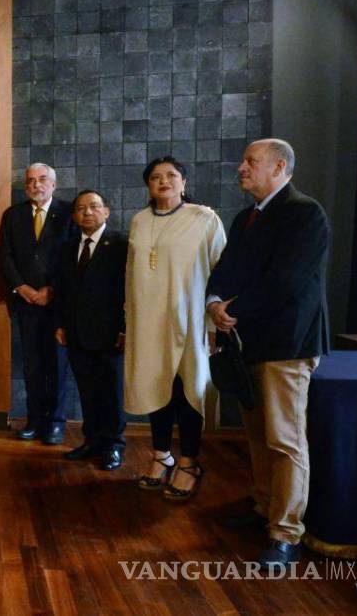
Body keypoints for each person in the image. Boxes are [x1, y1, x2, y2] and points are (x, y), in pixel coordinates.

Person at [206, 139, 330, 568]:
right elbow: (225, 270)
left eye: (250, 162)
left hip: (287, 345)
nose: (241, 168)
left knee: (285, 440)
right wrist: (214, 302)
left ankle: (286, 533)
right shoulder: (246, 218)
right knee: (257, 436)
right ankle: (263, 507)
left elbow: (288, 281)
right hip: (247, 342)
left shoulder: (305, 213)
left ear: (279, 167)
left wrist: (230, 310)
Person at [125, 156, 225, 500]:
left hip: (190, 322)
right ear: (148, 186)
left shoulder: (204, 218)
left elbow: (221, 275)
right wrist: (129, 320)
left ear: (183, 182)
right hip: (147, 323)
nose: (163, 181)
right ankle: (160, 456)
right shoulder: (139, 221)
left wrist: (213, 326)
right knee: (155, 390)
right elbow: (130, 277)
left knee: (187, 392)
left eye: (171, 175)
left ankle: (188, 462)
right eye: (155, 177)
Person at [0, 163, 78, 444]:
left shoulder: (70, 213)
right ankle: (34, 419)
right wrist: (23, 288)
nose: (36, 185)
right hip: (26, 303)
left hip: (59, 305)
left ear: (54, 184)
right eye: (30, 181)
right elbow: (4, 256)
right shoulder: (13, 215)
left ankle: (55, 422)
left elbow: (75, 256)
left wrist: (52, 289)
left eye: (42, 179)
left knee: (57, 364)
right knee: (32, 365)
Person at [53, 190, 127, 470]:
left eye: (94, 207)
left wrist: (124, 329)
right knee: (87, 391)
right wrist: (60, 325)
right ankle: (92, 440)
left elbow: (129, 291)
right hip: (75, 332)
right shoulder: (67, 247)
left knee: (111, 391)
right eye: (81, 208)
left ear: (106, 211)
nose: (87, 212)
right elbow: (61, 290)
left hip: (110, 335)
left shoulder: (121, 244)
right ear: (74, 216)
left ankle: (113, 445)